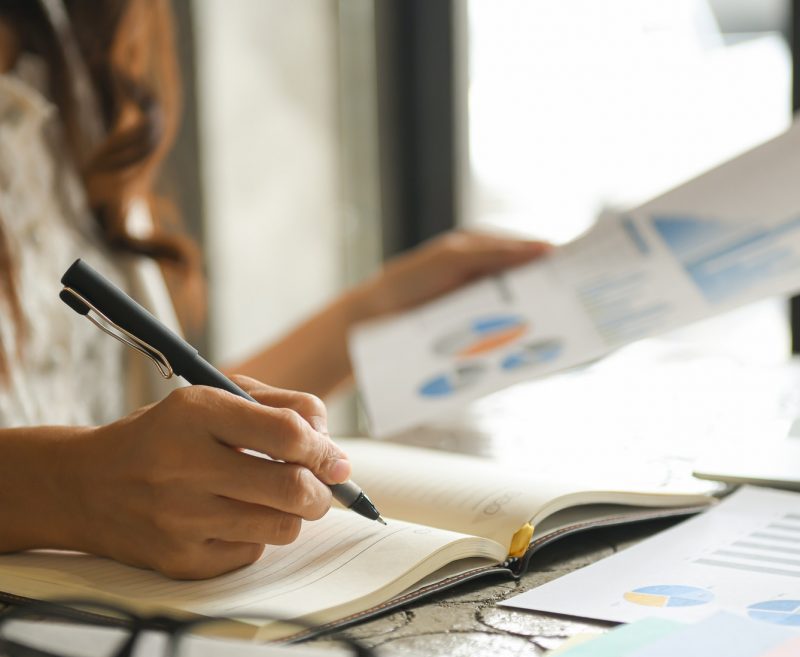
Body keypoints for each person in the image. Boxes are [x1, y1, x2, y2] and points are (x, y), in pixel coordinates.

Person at [0, 0, 550, 579]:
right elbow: (103, 472)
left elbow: (148, 445)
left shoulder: (73, 48)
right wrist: (72, 489)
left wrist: (380, 309)